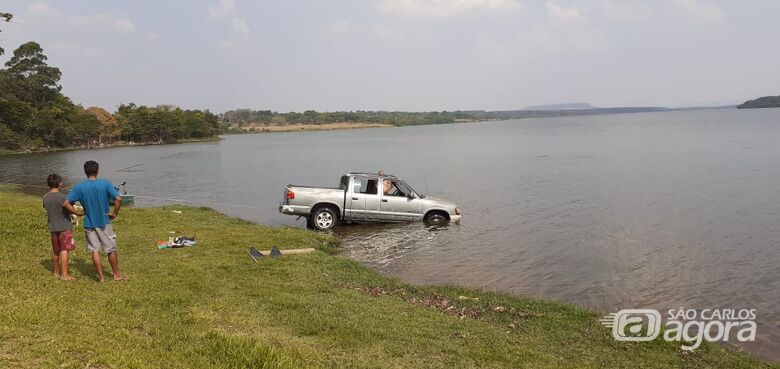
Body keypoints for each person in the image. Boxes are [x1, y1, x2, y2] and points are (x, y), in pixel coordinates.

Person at [67, 161, 127, 282]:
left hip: (89, 223)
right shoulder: (105, 184)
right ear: (97, 170)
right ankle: (117, 275)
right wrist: (114, 213)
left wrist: (77, 213)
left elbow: (67, 203)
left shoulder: (79, 187)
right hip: (104, 221)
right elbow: (118, 199)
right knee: (110, 248)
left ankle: (101, 277)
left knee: (95, 249)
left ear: (85, 172)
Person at [43, 174, 82, 280]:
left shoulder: (45, 197)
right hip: (64, 226)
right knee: (64, 250)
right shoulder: (62, 197)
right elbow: (69, 208)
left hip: (53, 227)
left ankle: (56, 272)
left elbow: (46, 208)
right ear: (60, 184)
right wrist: (78, 213)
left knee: (55, 250)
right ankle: (64, 274)